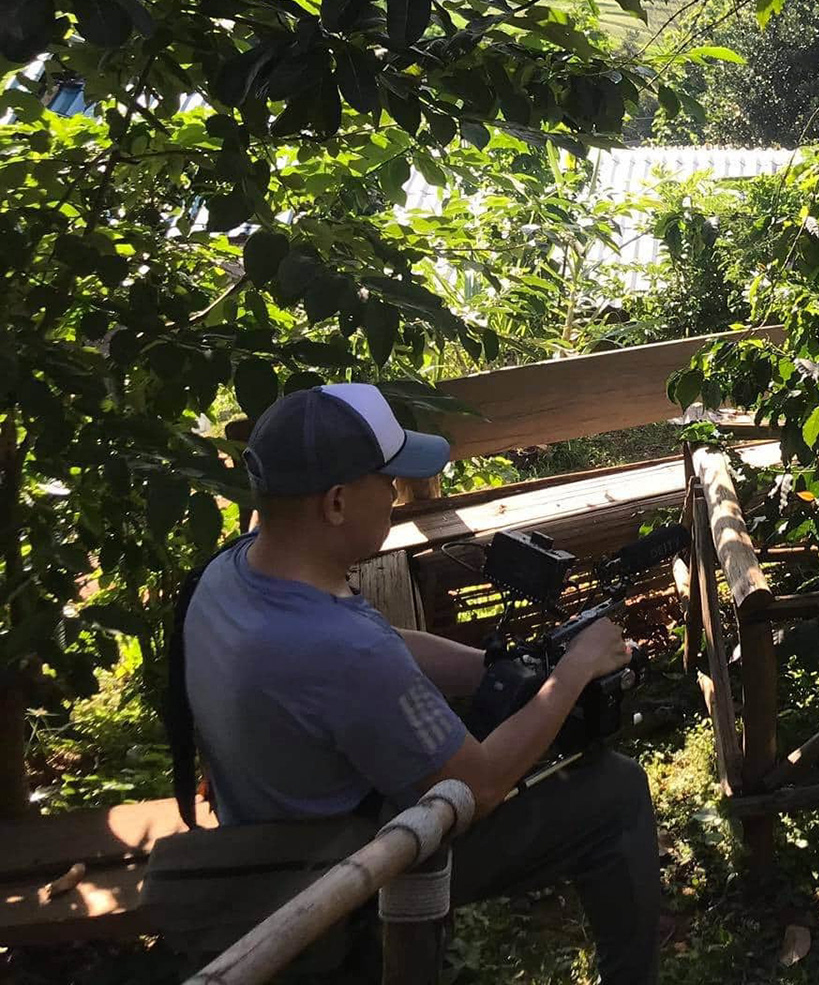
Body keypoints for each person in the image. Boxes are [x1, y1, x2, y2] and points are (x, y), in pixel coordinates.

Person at [180, 384, 660, 983]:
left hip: (265, 816)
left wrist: (497, 667)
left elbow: (381, 641)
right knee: (614, 790)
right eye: (386, 481)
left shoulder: (234, 572)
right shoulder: (346, 652)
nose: (395, 496)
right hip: (343, 868)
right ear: (335, 503)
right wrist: (572, 672)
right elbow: (478, 787)